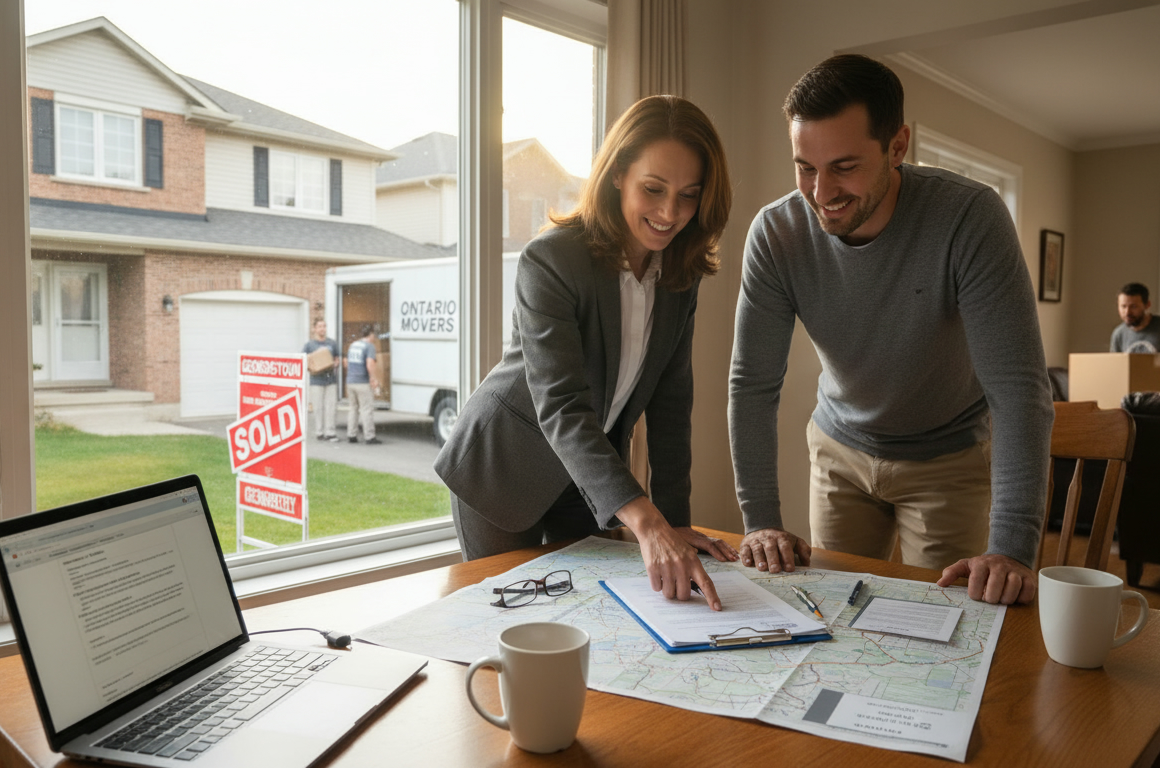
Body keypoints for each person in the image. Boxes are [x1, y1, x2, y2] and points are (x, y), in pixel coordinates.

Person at [728, 54, 1054, 605]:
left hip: (947, 458)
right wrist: (759, 520)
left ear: (897, 146)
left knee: (951, 620)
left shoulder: (970, 218)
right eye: (806, 167)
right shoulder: (776, 233)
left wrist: (1012, 547)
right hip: (840, 450)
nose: (821, 192)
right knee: (835, 614)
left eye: (844, 166)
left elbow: (1018, 390)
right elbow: (752, 383)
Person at [435, 95, 738, 610]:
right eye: (653, 189)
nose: (670, 213)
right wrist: (648, 524)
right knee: (508, 619)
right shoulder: (551, 259)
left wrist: (673, 521)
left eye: (688, 196)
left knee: (593, 614)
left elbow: (671, 404)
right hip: (504, 467)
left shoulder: (679, 277)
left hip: (589, 477)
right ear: (618, 173)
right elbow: (562, 405)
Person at [303, 319, 341, 442]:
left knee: (331, 407)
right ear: (315, 329)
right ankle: (319, 432)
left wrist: (335, 363)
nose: (322, 329)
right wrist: (312, 366)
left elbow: (337, 359)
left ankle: (330, 432)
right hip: (316, 381)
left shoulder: (332, 343)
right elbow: (303, 360)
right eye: (319, 326)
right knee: (318, 407)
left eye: (324, 326)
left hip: (330, 380)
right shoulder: (309, 345)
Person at [345, 325, 381, 444]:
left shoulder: (353, 345)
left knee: (353, 409)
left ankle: (351, 435)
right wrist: (373, 379)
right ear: (371, 334)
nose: (375, 337)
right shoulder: (369, 346)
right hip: (362, 382)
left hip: (350, 381)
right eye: (374, 335)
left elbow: (346, 363)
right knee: (366, 409)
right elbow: (370, 364)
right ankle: (369, 436)